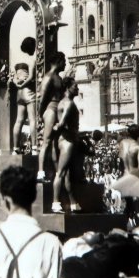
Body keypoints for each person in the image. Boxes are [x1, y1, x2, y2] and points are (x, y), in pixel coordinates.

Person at [51, 77, 81, 213]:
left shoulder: (61, 103)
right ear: (68, 87)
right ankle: (56, 203)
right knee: (61, 173)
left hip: (64, 140)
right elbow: (62, 124)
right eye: (75, 86)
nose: (77, 89)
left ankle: (73, 203)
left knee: (66, 174)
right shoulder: (68, 104)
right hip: (68, 141)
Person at [38, 51, 67, 182]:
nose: (65, 63)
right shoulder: (48, 77)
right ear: (58, 61)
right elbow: (42, 97)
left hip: (58, 110)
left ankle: (55, 172)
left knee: (56, 143)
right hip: (50, 109)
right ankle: (40, 172)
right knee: (47, 141)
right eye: (64, 61)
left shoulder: (58, 78)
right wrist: (40, 113)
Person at [118, 123, 139, 228]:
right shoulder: (138, 146)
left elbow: (120, 161)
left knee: (129, 206)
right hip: (134, 179)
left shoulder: (122, 143)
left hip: (123, 178)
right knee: (138, 207)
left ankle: (125, 227)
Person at [12, 37, 38, 155]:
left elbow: (13, 77)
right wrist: (24, 84)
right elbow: (31, 77)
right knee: (32, 119)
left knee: (19, 120)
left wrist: (17, 84)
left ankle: (15, 148)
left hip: (19, 93)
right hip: (28, 91)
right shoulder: (32, 59)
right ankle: (34, 147)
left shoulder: (17, 61)